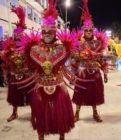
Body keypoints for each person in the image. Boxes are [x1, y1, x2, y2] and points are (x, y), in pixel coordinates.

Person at [16, 0, 79, 139]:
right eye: (44, 32)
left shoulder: (62, 48)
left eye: (50, 32)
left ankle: (61, 135)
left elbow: (67, 58)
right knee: (41, 114)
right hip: (41, 86)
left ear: (55, 33)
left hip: (57, 85)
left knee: (60, 114)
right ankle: (41, 136)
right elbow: (30, 64)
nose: (47, 35)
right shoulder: (34, 49)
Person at [72, 0, 108, 123]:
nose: (88, 32)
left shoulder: (98, 43)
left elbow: (101, 59)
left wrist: (105, 72)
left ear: (93, 31)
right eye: (86, 30)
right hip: (82, 72)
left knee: (94, 94)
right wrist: (73, 72)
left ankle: (95, 113)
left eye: (90, 30)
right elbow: (74, 58)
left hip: (95, 72)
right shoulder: (78, 43)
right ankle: (76, 113)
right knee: (79, 93)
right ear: (83, 30)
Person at [1, 6, 33, 122]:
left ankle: (33, 113)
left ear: (23, 35)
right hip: (15, 74)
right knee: (14, 95)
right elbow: (6, 60)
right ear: (14, 35)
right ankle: (14, 113)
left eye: (20, 35)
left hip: (27, 75)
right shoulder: (10, 47)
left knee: (30, 94)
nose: (18, 36)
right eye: (16, 35)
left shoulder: (29, 47)